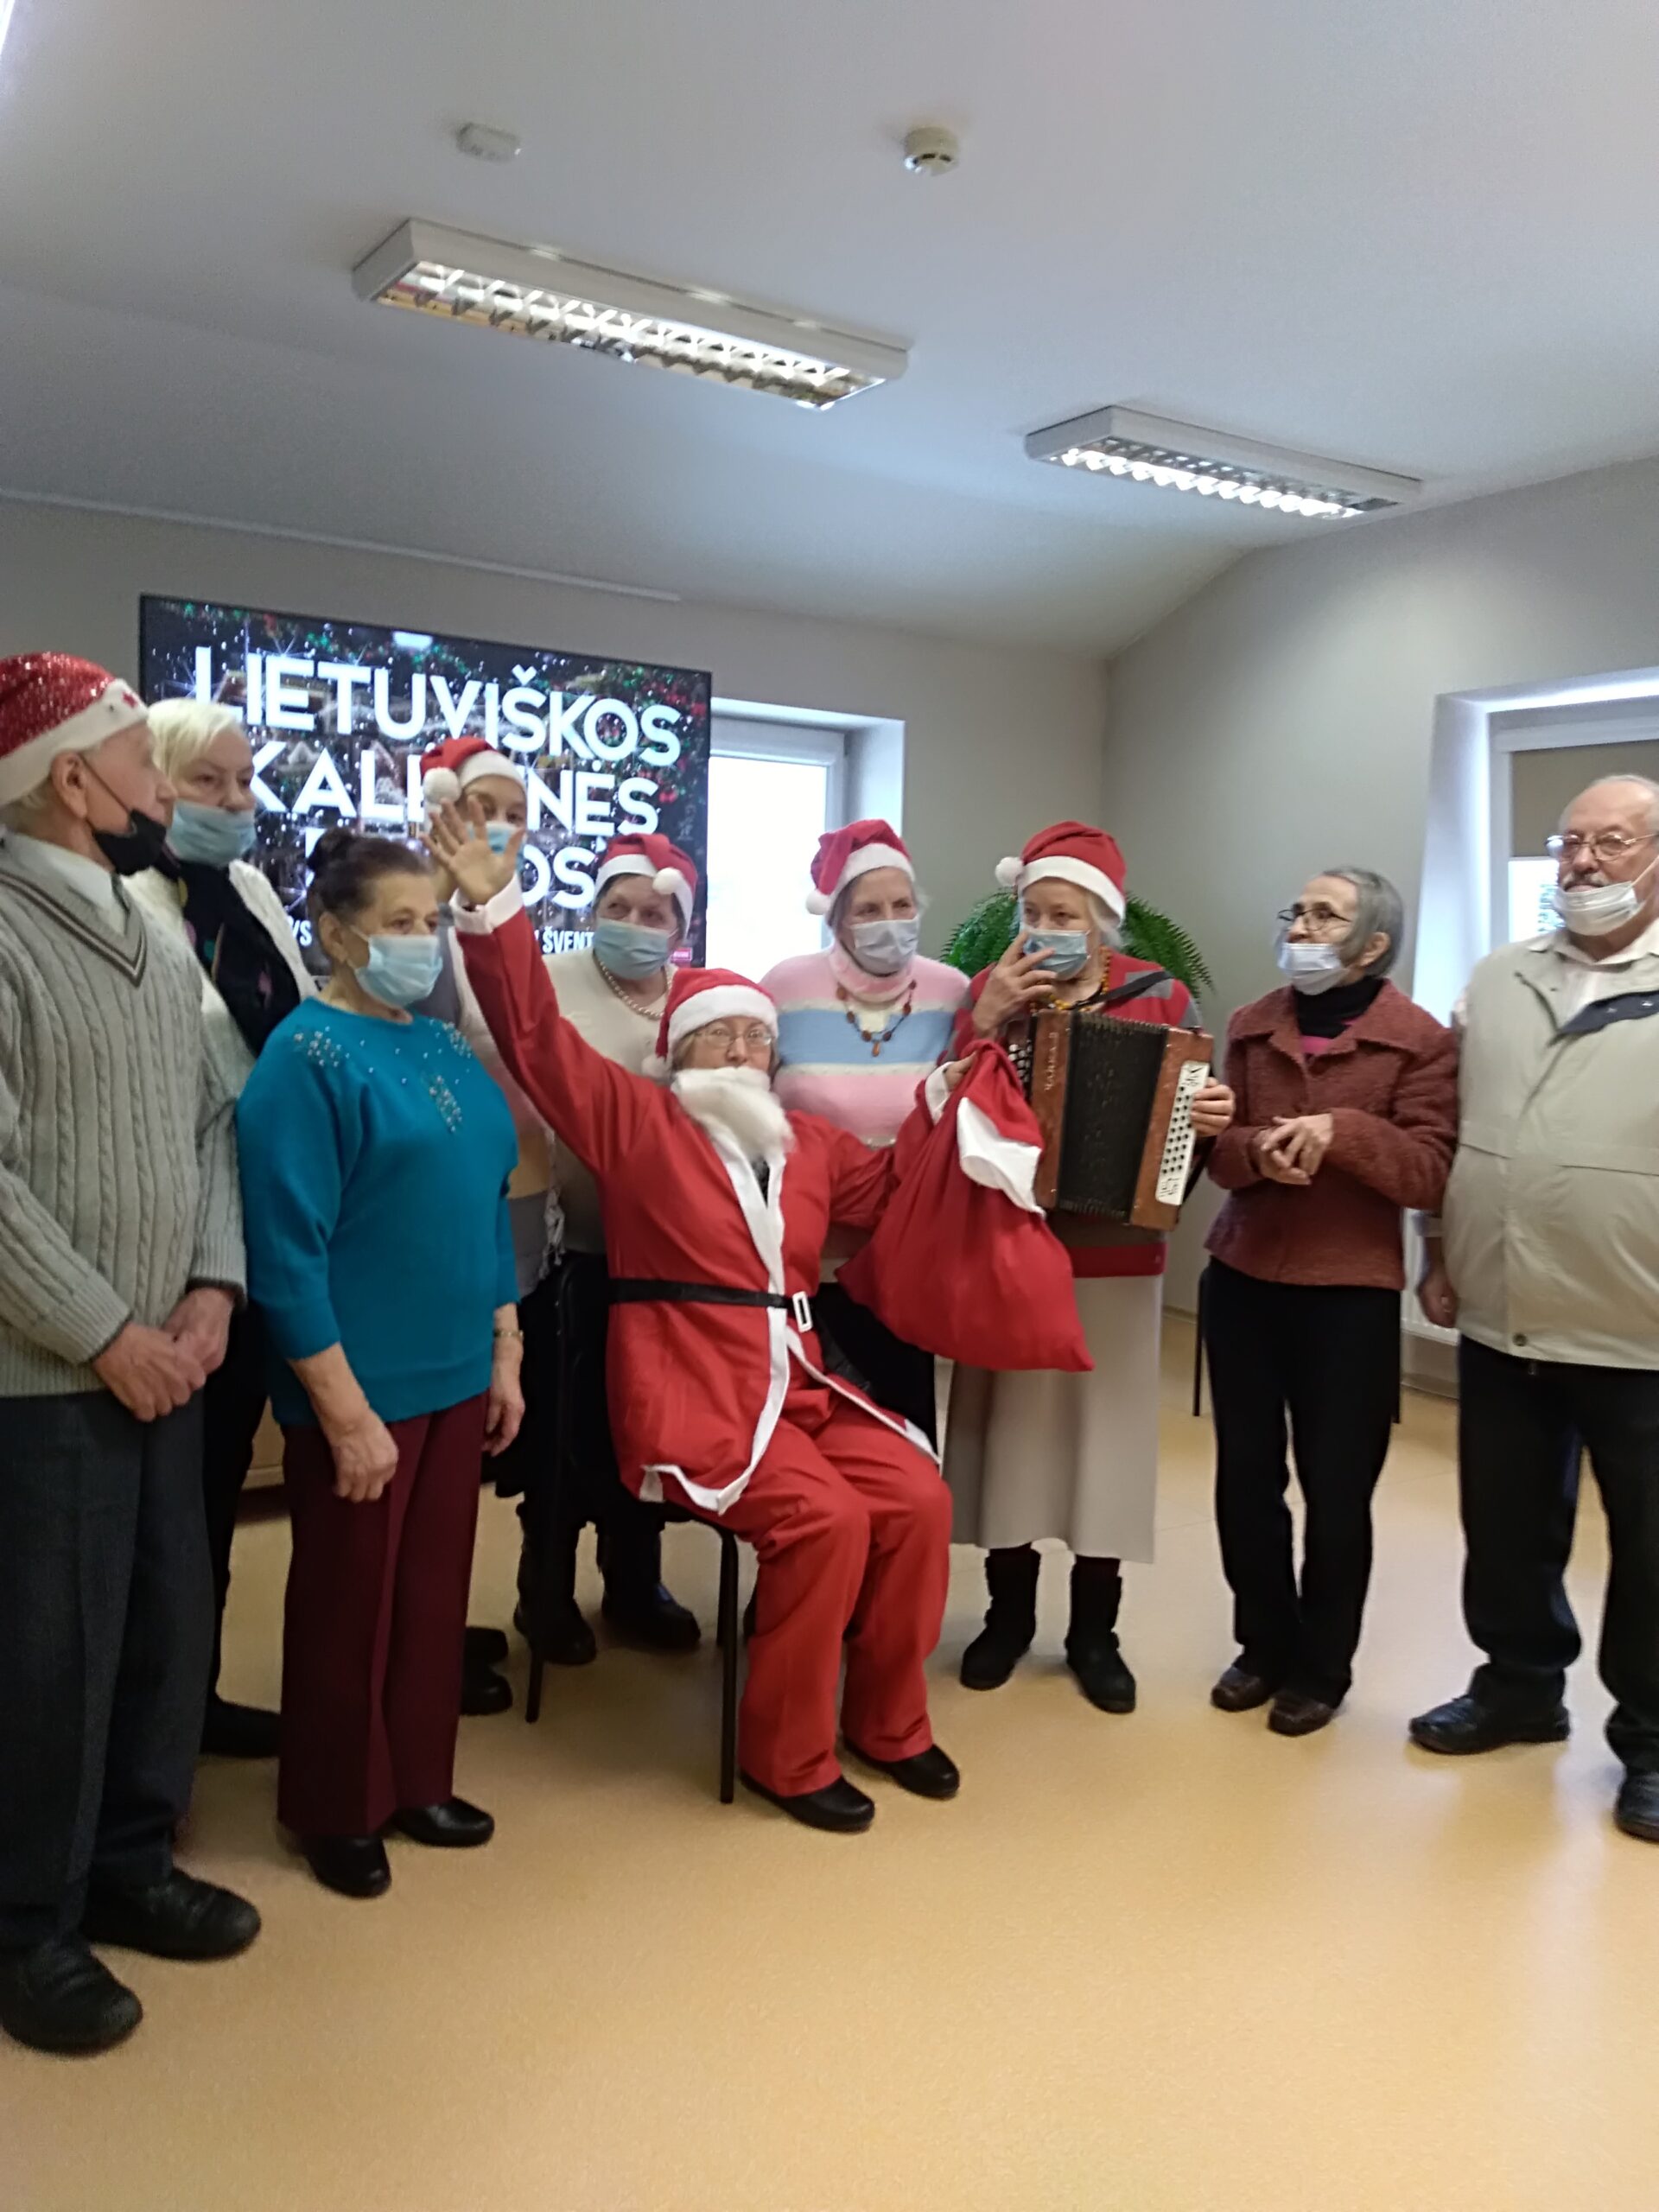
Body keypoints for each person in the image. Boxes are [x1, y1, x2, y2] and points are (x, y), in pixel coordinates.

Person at [429, 804, 960, 1834]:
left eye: (760, 1035)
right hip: (690, 1394)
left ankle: (890, 1722)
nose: (745, 1048)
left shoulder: (808, 1144)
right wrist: (494, 907)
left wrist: (957, 1102)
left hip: (797, 1387)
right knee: (826, 1521)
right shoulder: (636, 1122)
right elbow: (536, 1037)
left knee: (918, 1498)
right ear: (678, 1047)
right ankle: (786, 1754)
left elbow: (903, 1189)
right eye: (722, 1031)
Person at [0, 654, 259, 2057]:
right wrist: (105, 1333)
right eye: (143, 765)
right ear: (70, 778)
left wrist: (212, 1287)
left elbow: (210, 1124)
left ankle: (130, 1863)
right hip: (49, 1377)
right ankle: (27, 1928)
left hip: (174, 1356)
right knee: (51, 1655)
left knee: (167, 1620)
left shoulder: (154, 936)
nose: (164, 791)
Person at [235, 830, 524, 1898]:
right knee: (346, 1602)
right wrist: (342, 1411)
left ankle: (418, 1780)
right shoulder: (303, 1058)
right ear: (335, 933)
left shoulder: (442, 1044)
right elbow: (286, 1252)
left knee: (433, 1594)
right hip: (358, 1386)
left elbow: (485, 1203)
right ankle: (336, 1804)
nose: (422, 940)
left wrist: (506, 1346)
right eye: (400, 922)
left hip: (458, 1371)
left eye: (432, 921)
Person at [1414, 774, 1659, 1846]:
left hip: (1639, 1325)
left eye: (1613, 842)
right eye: (1569, 842)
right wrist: (1437, 1249)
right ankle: (1518, 1685)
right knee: (1506, 1522)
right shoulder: (1500, 975)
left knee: (1651, 1548)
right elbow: (1454, 1125)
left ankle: (1653, 1740)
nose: (1583, 862)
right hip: (1503, 1306)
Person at [945, 820, 1236, 1712]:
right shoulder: (992, 993)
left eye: (1063, 914)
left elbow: (1191, 1130)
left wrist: (1206, 1120)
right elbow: (944, 1106)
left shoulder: (1162, 998)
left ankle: (1094, 1633)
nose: (1043, 929)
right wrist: (984, 1018)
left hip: (1117, 1257)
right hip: (1011, 1248)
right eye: (1032, 912)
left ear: (1102, 921)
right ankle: (1006, 1618)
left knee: (1106, 1444)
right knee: (1010, 1439)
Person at [1202, 868, 1457, 1734]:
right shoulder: (1251, 1023)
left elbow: (1429, 1171)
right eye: (1299, 911)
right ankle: (1262, 1645)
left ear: (1372, 944)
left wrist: (1341, 1133)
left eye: (1325, 915)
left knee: (1338, 1489)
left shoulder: (1419, 1042)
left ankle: (1322, 1667)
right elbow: (1217, 1150)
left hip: (1348, 1295)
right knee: (1246, 1479)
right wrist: (1252, 1153)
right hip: (1242, 1279)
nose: (1302, 926)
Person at [130, 697, 315, 1759]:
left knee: (214, 1489)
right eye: (209, 781)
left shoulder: (247, 889)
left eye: (245, 781)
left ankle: (190, 1708)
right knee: (168, 1504)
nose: (238, 801)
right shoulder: (124, 900)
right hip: (172, 1246)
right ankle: (147, 1734)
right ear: (151, 778)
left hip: (264, 1223)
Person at [761, 818, 969, 1442]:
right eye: (869, 910)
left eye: (902, 905)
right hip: (806, 1261)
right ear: (836, 919)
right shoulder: (784, 987)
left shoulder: (952, 993)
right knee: (813, 1435)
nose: (890, 921)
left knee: (904, 1433)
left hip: (906, 1257)